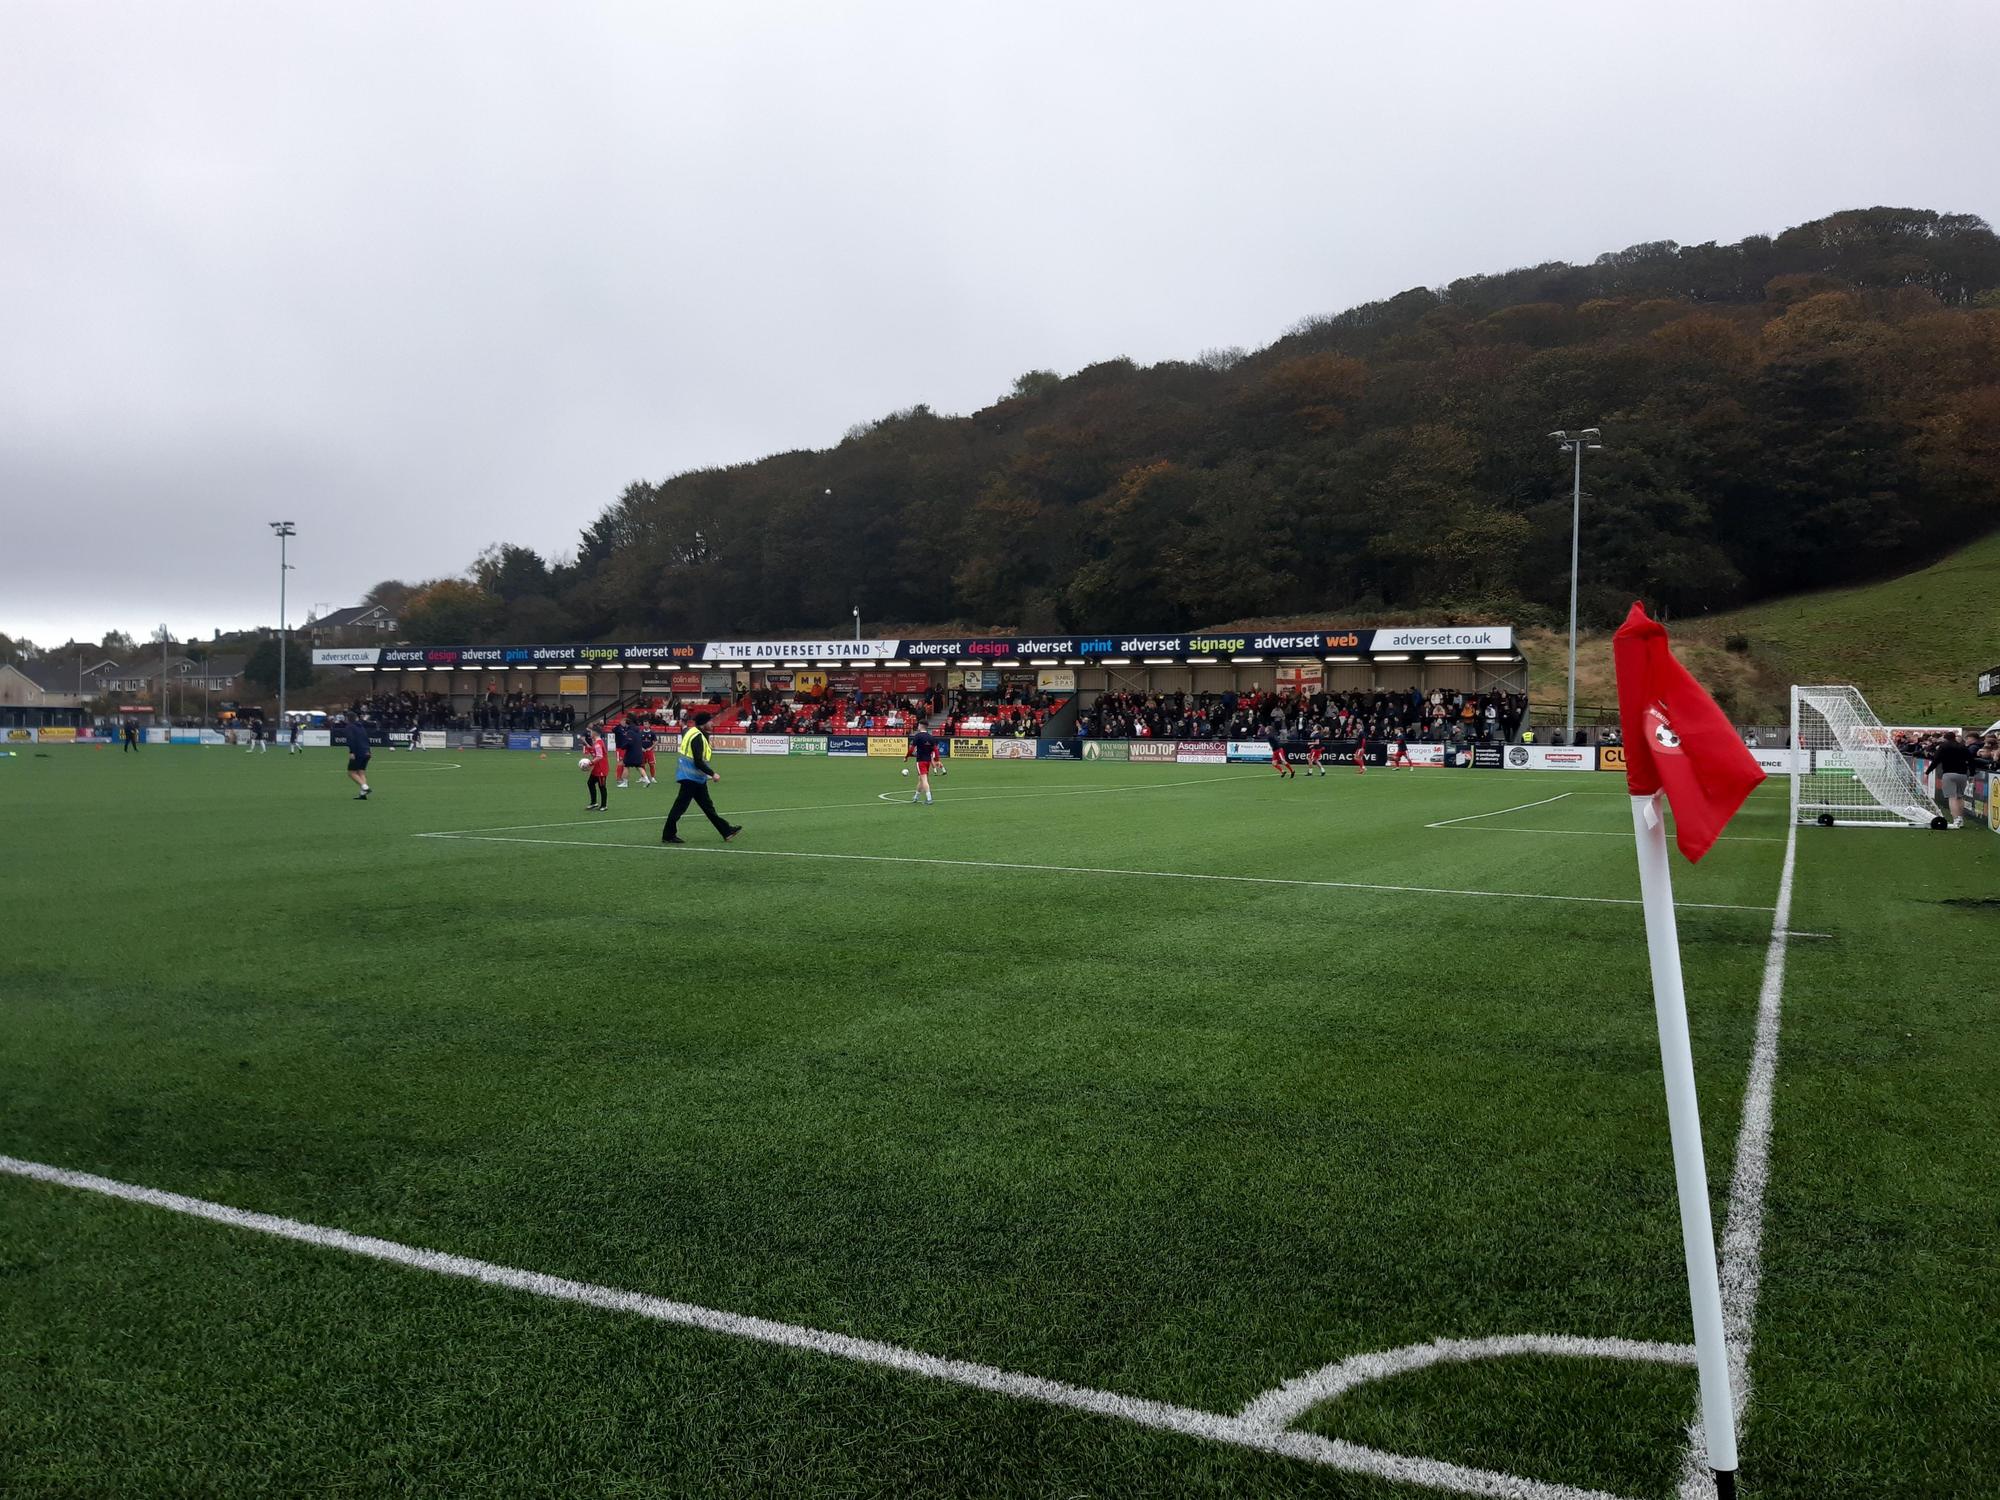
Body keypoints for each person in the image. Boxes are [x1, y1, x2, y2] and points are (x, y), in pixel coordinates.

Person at [663, 712, 741, 844]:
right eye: (710, 721)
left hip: (695, 778)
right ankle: (668, 835)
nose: (712, 723)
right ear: (704, 723)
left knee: (708, 807)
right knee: (680, 807)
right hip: (690, 777)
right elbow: (698, 761)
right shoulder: (698, 737)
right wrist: (712, 773)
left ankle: (726, 831)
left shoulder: (694, 732)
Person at [1929, 729, 1975, 830]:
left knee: (1952, 797)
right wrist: (1971, 774)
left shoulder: (1944, 746)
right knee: (1960, 797)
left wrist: (1928, 771)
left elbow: (1936, 760)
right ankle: (1961, 819)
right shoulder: (1962, 747)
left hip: (1949, 773)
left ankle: (1956, 819)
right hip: (1962, 774)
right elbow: (1971, 760)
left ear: (1945, 739)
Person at [906, 728, 939, 805]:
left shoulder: (918, 736)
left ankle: (929, 799)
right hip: (928, 761)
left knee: (924, 780)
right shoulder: (931, 737)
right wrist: (937, 759)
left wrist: (907, 756)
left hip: (921, 761)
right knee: (921, 780)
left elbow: (911, 749)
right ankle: (916, 797)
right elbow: (936, 749)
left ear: (920, 726)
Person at [343, 717, 373, 799]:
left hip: (358, 752)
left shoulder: (349, 727)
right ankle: (363, 794)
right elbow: (366, 739)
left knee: (351, 772)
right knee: (361, 772)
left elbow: (351, 739)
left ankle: (365, 787)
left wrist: (352, 752)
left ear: (347, 719)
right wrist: (368, 750)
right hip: (366, 752)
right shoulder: (361, 727)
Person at [583, 730, 610, 812]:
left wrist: (590, 763)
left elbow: (599, 756)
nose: (590, 734)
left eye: (591, 732)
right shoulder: (597, 742)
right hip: (597, 768)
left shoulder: (598, 744)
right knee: (590, 783)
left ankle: (604, 805)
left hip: (601, 768)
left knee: (602, 786)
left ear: (595, 733)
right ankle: (594, 802)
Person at [638, 721, 658, 786]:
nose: (645, 725)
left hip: (649, 751)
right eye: (644, 724)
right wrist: (641, 748)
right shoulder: (640, 732)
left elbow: (655, 742)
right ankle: (643, 777)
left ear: (649, 725)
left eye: (646, 724)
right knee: (642, 764)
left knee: (651, 764)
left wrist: (650, 748)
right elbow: (638, 741)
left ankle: (652, 778)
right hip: (642, 751)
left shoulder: (652, 733)